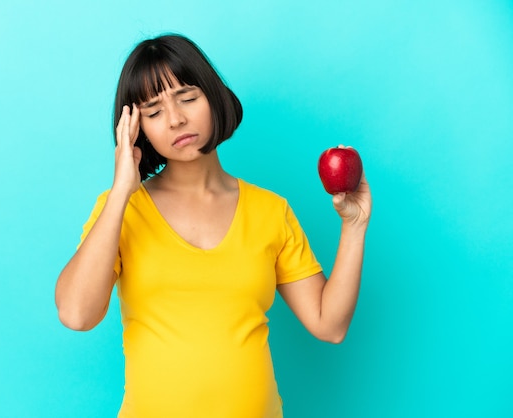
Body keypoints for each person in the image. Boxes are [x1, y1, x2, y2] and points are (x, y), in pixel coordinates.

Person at [55, 34, 372, 418]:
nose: (176, 119)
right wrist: (123, 189)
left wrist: (354, 226)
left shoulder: (271, 211)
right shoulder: (120, 212)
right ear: (135, 129)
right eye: (154, 112)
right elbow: (76, 314)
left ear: (213, 96)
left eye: (188, 98)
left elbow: (329, 325)